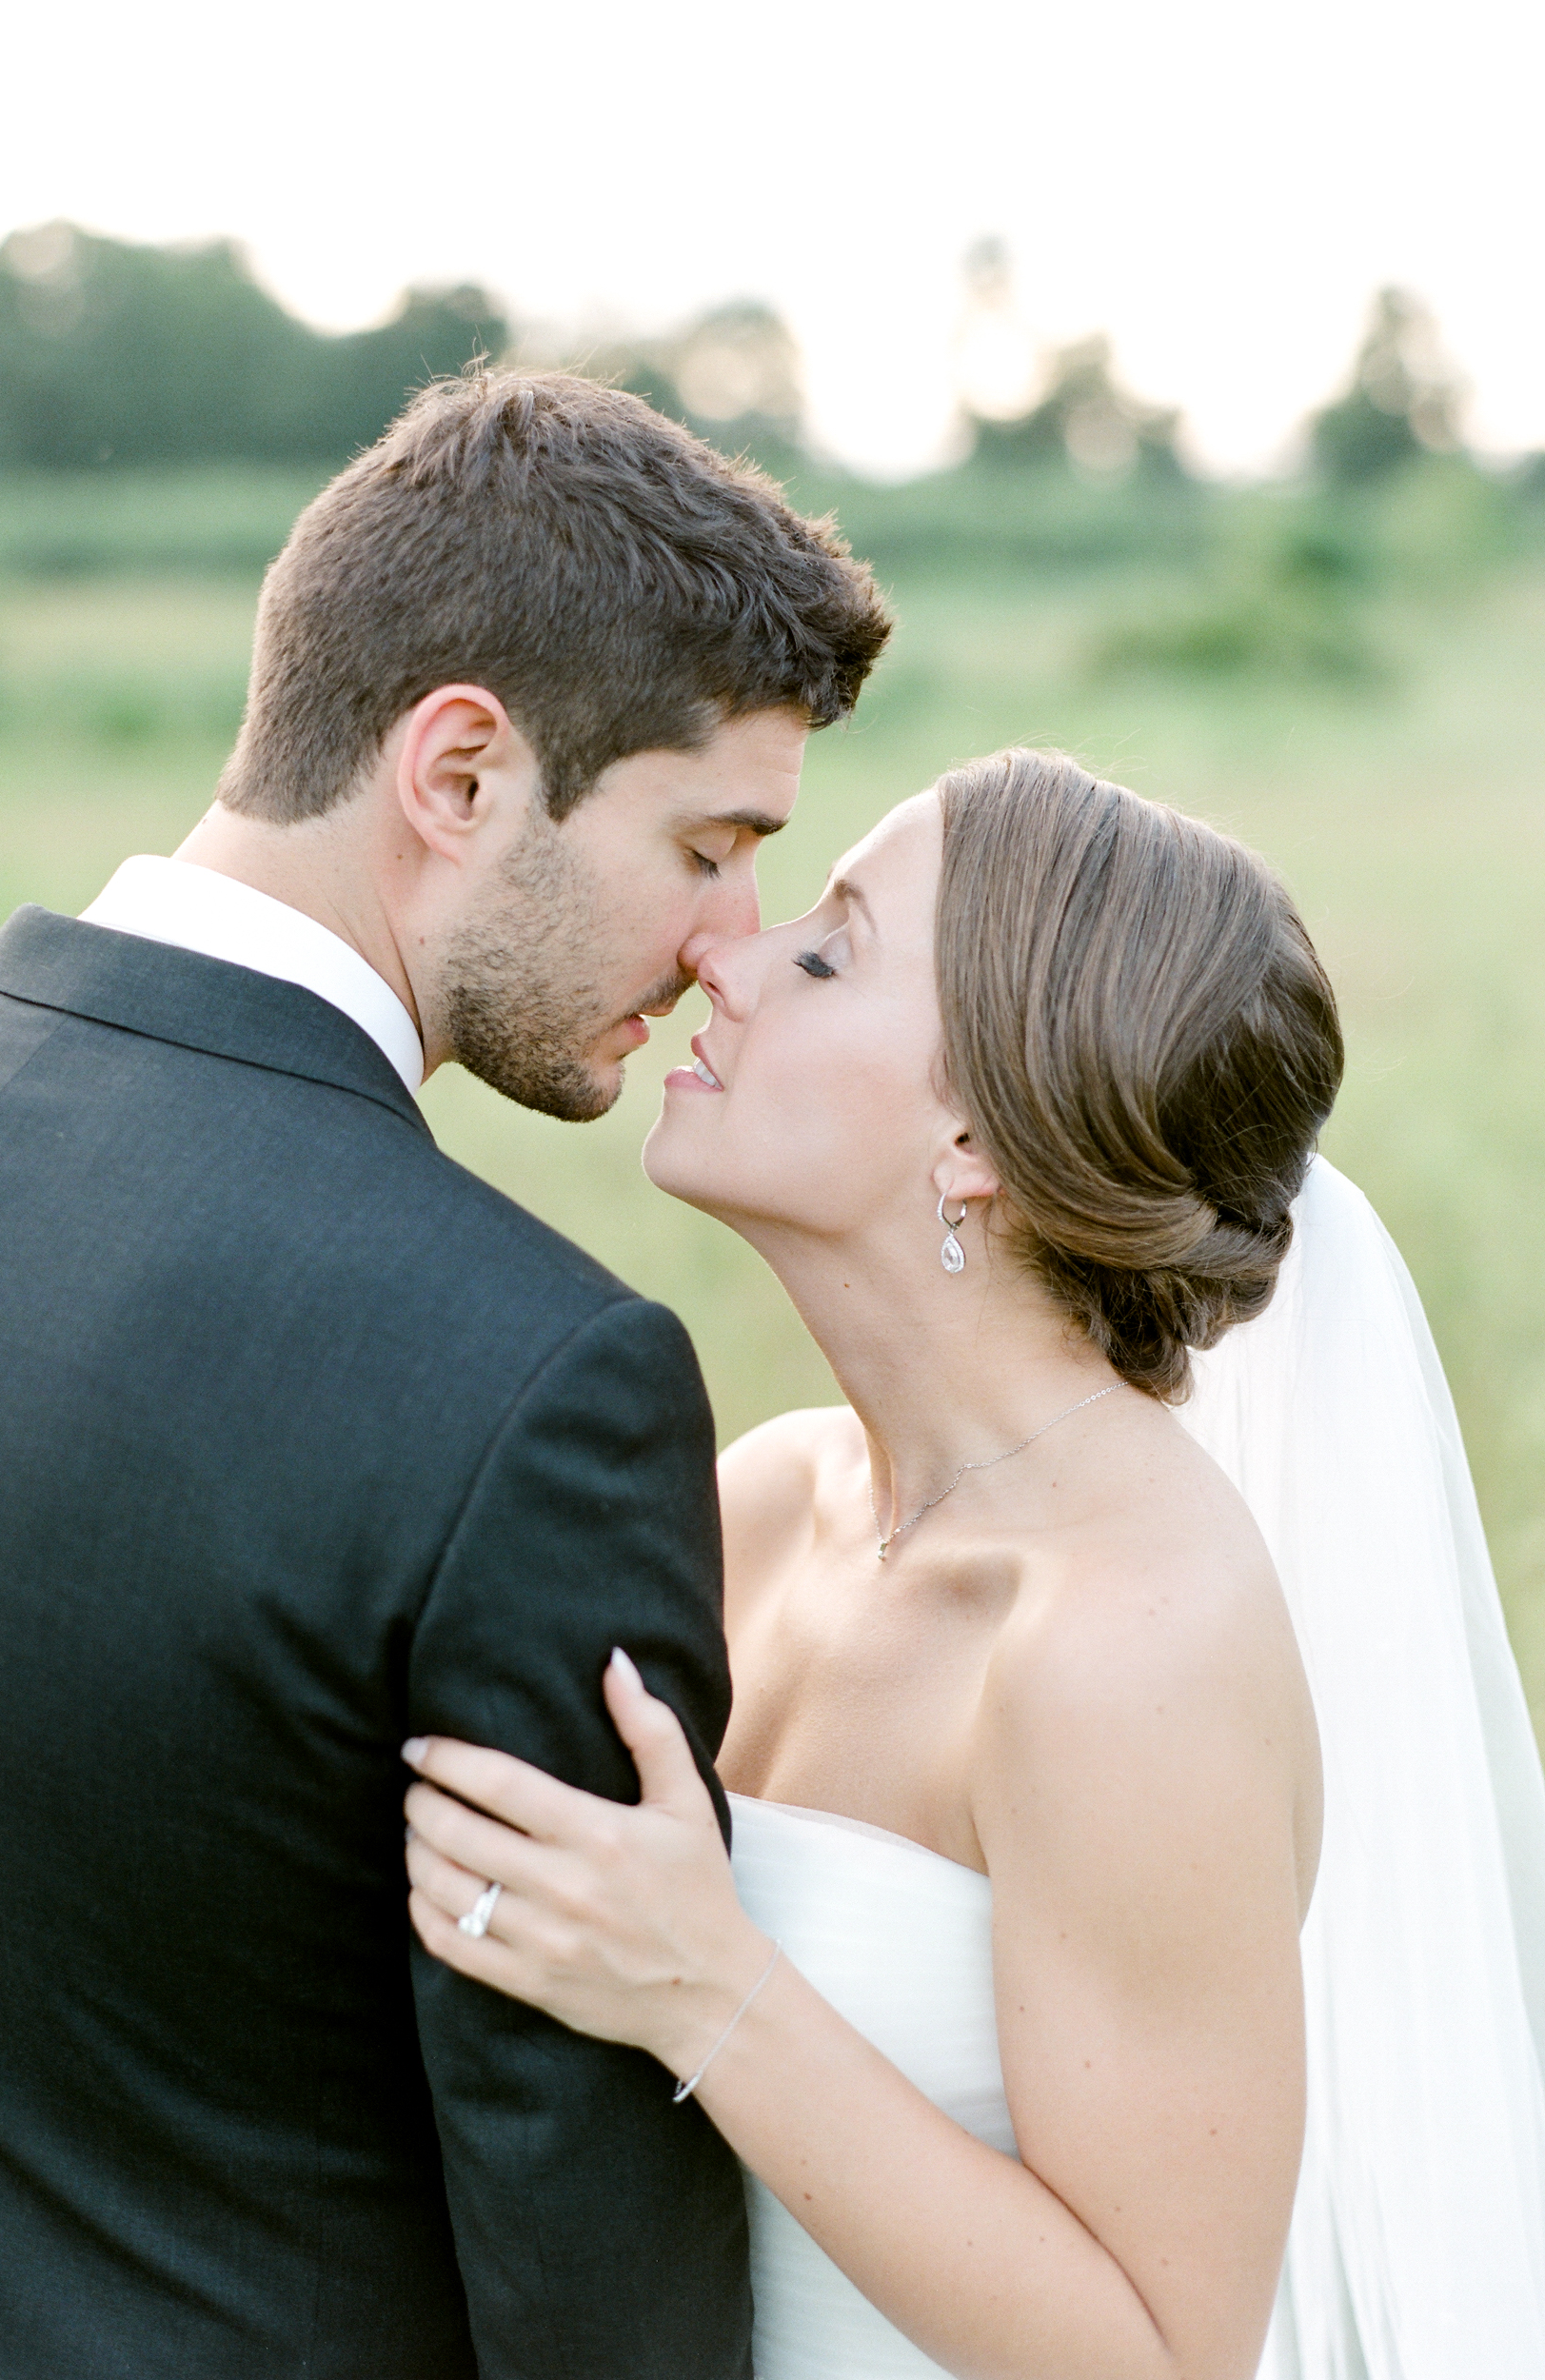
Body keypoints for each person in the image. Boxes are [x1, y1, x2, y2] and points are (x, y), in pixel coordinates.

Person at [0, 372, 889, 2378]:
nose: (731, 938)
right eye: (707, 841)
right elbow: (583, 2245)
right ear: (458, 771)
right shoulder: (540, 1380)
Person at [404, 748, 1545, 2379]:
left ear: (975, 1140)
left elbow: (1161, 2351)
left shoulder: (1127, 1639)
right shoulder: (761, 1504)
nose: (721, 953)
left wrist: (711, 1995)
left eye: (825, 949)